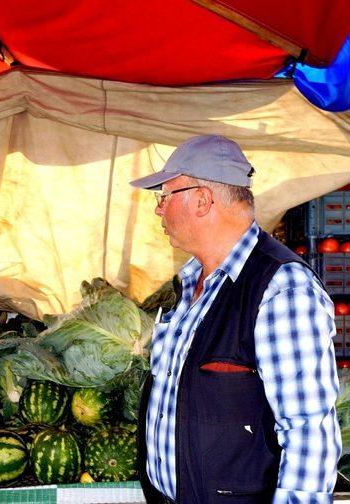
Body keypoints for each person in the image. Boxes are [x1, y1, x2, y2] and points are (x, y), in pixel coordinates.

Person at [131, 135, 341, 504]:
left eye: (164, 196)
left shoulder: (281, 288)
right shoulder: (190, 281)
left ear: (202, 200)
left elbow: (309, 434)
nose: (158, 210)